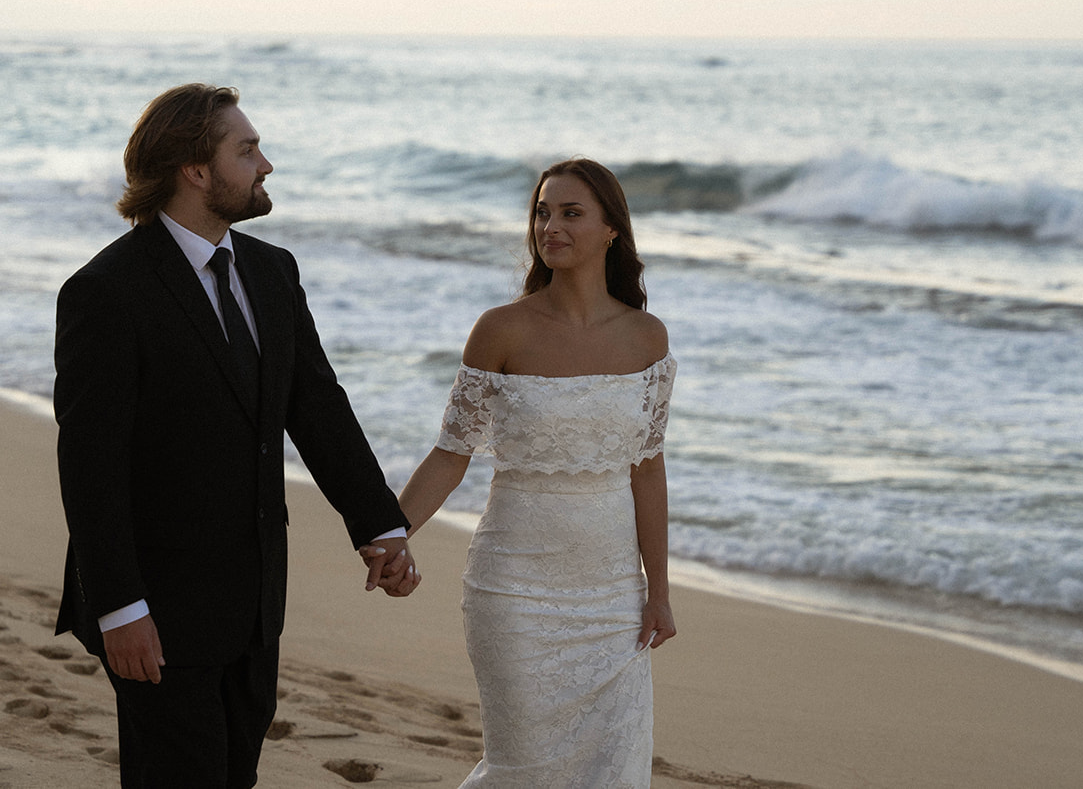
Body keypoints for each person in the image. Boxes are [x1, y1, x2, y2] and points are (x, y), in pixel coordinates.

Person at [53, 83, 418, 789]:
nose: (266, 164)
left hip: (252, 602)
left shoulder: (271, 271)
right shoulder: (107, 291)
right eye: (247, 150)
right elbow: (90, 467)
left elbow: (317, 406)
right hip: (153, 604)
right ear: (195, 168)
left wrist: (380, 525)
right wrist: (120, 607)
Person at [394, 157, 677, 788]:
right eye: (543, 212)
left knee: (612, 771)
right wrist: (394, 532)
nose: (551, 226)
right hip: (513, 590)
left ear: (612, 230)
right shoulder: (502, 330)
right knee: (522, 769)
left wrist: (656, 591)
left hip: (612, 598)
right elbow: (450, 452)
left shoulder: (647, 339)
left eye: (571, 213)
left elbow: (648, 471)